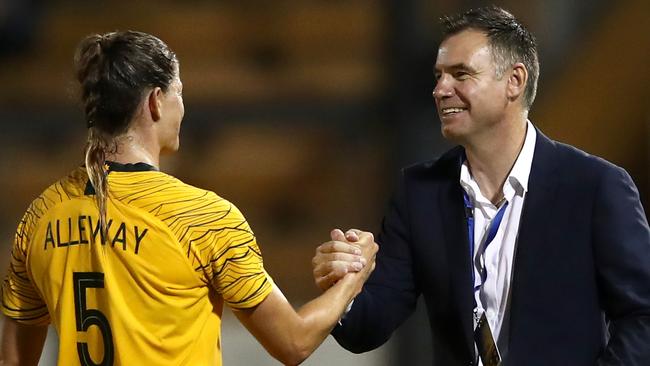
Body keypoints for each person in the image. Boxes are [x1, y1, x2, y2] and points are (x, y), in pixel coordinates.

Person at [0, 30, 378, 366]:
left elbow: (13, 360)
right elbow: (293, 343)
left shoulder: (42, 214)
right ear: (156, 102)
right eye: (179, 93)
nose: (183, 108)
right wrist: (353, 279)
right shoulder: (203, 217)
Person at [312, 5, 650, 366]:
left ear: (514, 82)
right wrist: (343, 289)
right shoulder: (419, 191)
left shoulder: (595, 186)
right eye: (439, 75)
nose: (441, 89)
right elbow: (370, 327)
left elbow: (643, 317)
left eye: (461, 74)